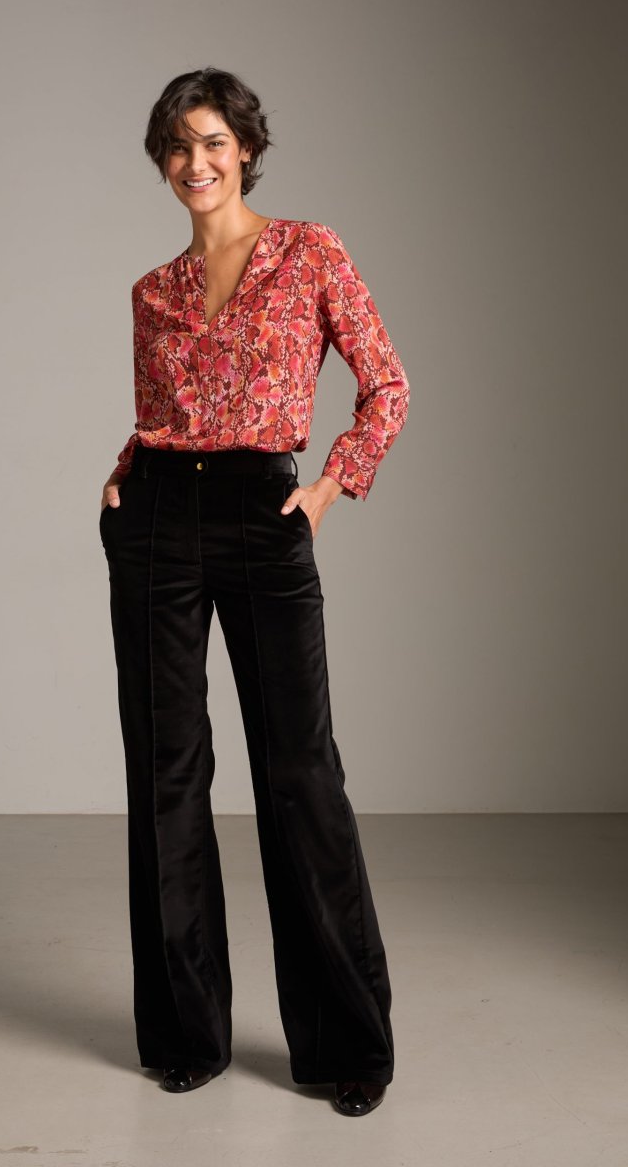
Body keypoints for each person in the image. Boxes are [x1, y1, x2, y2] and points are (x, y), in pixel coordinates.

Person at [98, 66, 410, 1117]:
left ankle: (344, 1044)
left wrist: (329, 488)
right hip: (157, 523)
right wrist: (120, 476)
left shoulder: (309, 251)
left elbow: (385, 384)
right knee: (166, 774)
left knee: (299, 772)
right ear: (163, 162)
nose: (196, 163)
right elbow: (162, 415)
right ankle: (185, 1033)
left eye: (213, 143)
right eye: (178, 147)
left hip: (265, 515)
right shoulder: (153, 292)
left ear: (246, 150)